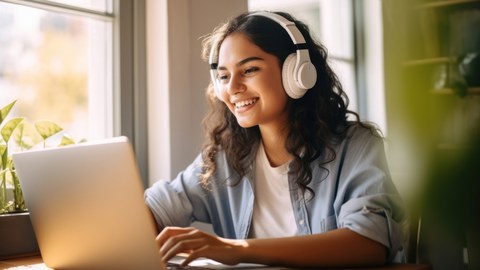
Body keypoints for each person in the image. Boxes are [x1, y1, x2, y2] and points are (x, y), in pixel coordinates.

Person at [145, 11, 405, 268]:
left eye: (249, 69)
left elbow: (369, 244)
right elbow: (156, 209)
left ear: (297, 73)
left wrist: (237, 249)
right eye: (224, 76)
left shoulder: (356, 146)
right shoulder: (226, 157)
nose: (233, 87)